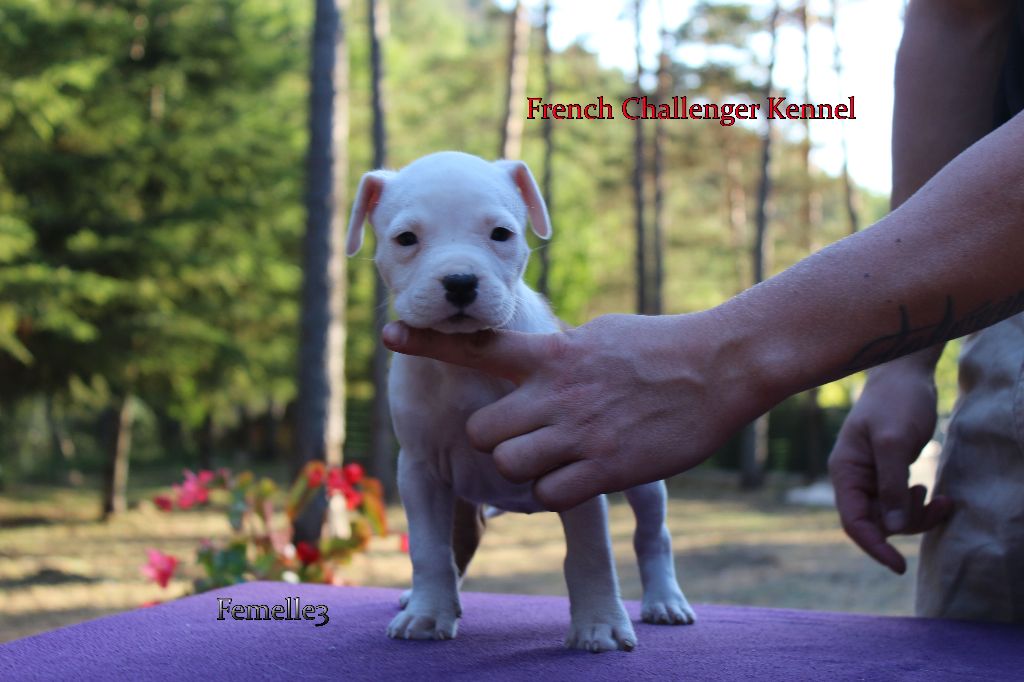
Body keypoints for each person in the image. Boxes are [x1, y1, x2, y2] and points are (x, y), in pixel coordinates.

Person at [381, 0, 1024, 622]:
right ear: (371, 234)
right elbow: (957, 16)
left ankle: (653, 566)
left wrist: (726, 358)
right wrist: (904, 361)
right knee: (981, 628)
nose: (457, 273)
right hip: (995, 323)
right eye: (408, 239)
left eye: (498, 234)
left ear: (528, 225)